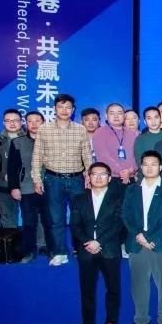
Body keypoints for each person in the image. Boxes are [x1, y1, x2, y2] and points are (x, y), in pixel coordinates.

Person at [122, 151, 162, 324]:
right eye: (145, 164)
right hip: (137, 243)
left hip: (160, 242)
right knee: (138, 285)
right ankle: (142, 322)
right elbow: (125, 214)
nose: (149, 167)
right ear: (140, 167)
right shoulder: (132, 190)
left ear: (160, 167)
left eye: (153, 164)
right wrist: (139, 235)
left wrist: (149, 236)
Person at [32, 93, 93, 267]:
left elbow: (87, 155)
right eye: (60, 107)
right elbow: (37, 156)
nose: (64, 110)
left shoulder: (80, 129)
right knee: (56, 219)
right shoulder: (44, 129)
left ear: (73, 110)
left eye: (68, 107)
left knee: (80, 217)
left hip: (76, 180)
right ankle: (60, 252)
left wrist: (89, 175)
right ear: (54, 109)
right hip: (53, 179)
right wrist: (37, 179)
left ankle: (81, 250)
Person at [68, 163, 123, 324]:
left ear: (109, 177)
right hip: (86, 250)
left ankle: (111, 323)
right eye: (94, 174)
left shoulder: (118, 198)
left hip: (109, 249)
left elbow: (118, 224)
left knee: (113, 288)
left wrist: (99, 242)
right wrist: (88, 242)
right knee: (87, 289)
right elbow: (74, 225)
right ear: (88, 177)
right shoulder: (78, 199)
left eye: (103, 174)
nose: (98, 177)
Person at [6, 111, 49, 262]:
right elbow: (12, 167)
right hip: (26, 186)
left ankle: (46, 246)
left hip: (50, 186)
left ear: (44, 122)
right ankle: (29, 251)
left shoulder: (52, 140)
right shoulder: (18, 142)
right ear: (26, 123)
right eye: (30, 121)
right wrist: (14, 187)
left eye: (38, 120)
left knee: (49, 220)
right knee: (29, 221)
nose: (34, 124)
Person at [91, 103, 139, 188]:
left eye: (119, 113)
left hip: (130, 177)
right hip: (110, 178)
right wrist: (121, 172)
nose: (116, 116)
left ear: (124, 116)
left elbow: (137, 156)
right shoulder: (100, 132)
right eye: (112, 113)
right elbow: (103, 156)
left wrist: (130, 170)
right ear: (106, 116)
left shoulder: (133, 134)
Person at [0, 109, 25, 230]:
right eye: (8, 121)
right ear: (3, 122)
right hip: (3, 185)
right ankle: (11, 241)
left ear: (21, 122)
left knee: (32, 218)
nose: (12, 123)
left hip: (27, 185)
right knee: (7, 219)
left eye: (15, 120)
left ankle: (35, 241)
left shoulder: (30, 138)